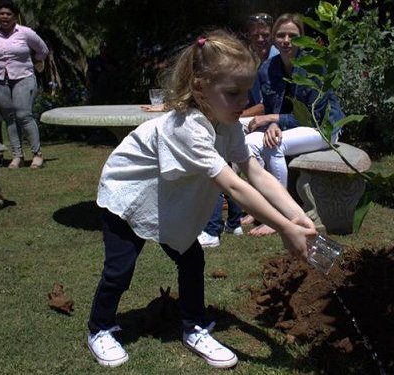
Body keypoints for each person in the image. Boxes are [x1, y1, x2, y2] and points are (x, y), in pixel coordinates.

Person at [87, 29, 316, 369]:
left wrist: (297, 216)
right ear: (199, 87)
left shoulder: (229, 124)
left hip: (165, 197)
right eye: (233, 93)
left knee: (191, 259)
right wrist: (283, 228)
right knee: (120, 270)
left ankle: (193, 326)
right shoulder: (187, 127)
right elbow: (234, 187)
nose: (243, 102)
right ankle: (100, 328)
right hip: (129, 195)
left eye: (245, 92)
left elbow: (254, 172)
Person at [245, 13, 345, 237]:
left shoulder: (314, 67)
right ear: (273, 38)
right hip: (292, 127)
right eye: (280, 35)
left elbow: (313, 117)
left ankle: (283, 216)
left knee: (274, 145)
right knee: (249, 143)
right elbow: (274, 108)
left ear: (302, 38)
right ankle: (262, 209)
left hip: (324, 129)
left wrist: (274, 121)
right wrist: (273, 122)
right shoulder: (268, 69)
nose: (286, 40)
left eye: (293, 35)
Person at [197, 12, 279, 246]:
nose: (261, 39)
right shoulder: (192, 129)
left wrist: (290, 219)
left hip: (255, 119)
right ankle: (222, 225)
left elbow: (253, 173)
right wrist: (285, 223)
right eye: (256, 34)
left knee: (225, 167)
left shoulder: (271, 61)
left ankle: (223, 226)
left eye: (265, 34)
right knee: (221, 169)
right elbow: (232, 183)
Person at [0, 0, 49, 169]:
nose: (5, 17)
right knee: (10, 118)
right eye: (2, 13)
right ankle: (17, 156)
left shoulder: (25, 33)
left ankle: (37, 154)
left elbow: (43, 50)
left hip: (23, 78)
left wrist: (34, 62)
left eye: (8, 14)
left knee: (24, 115)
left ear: (15, 16)